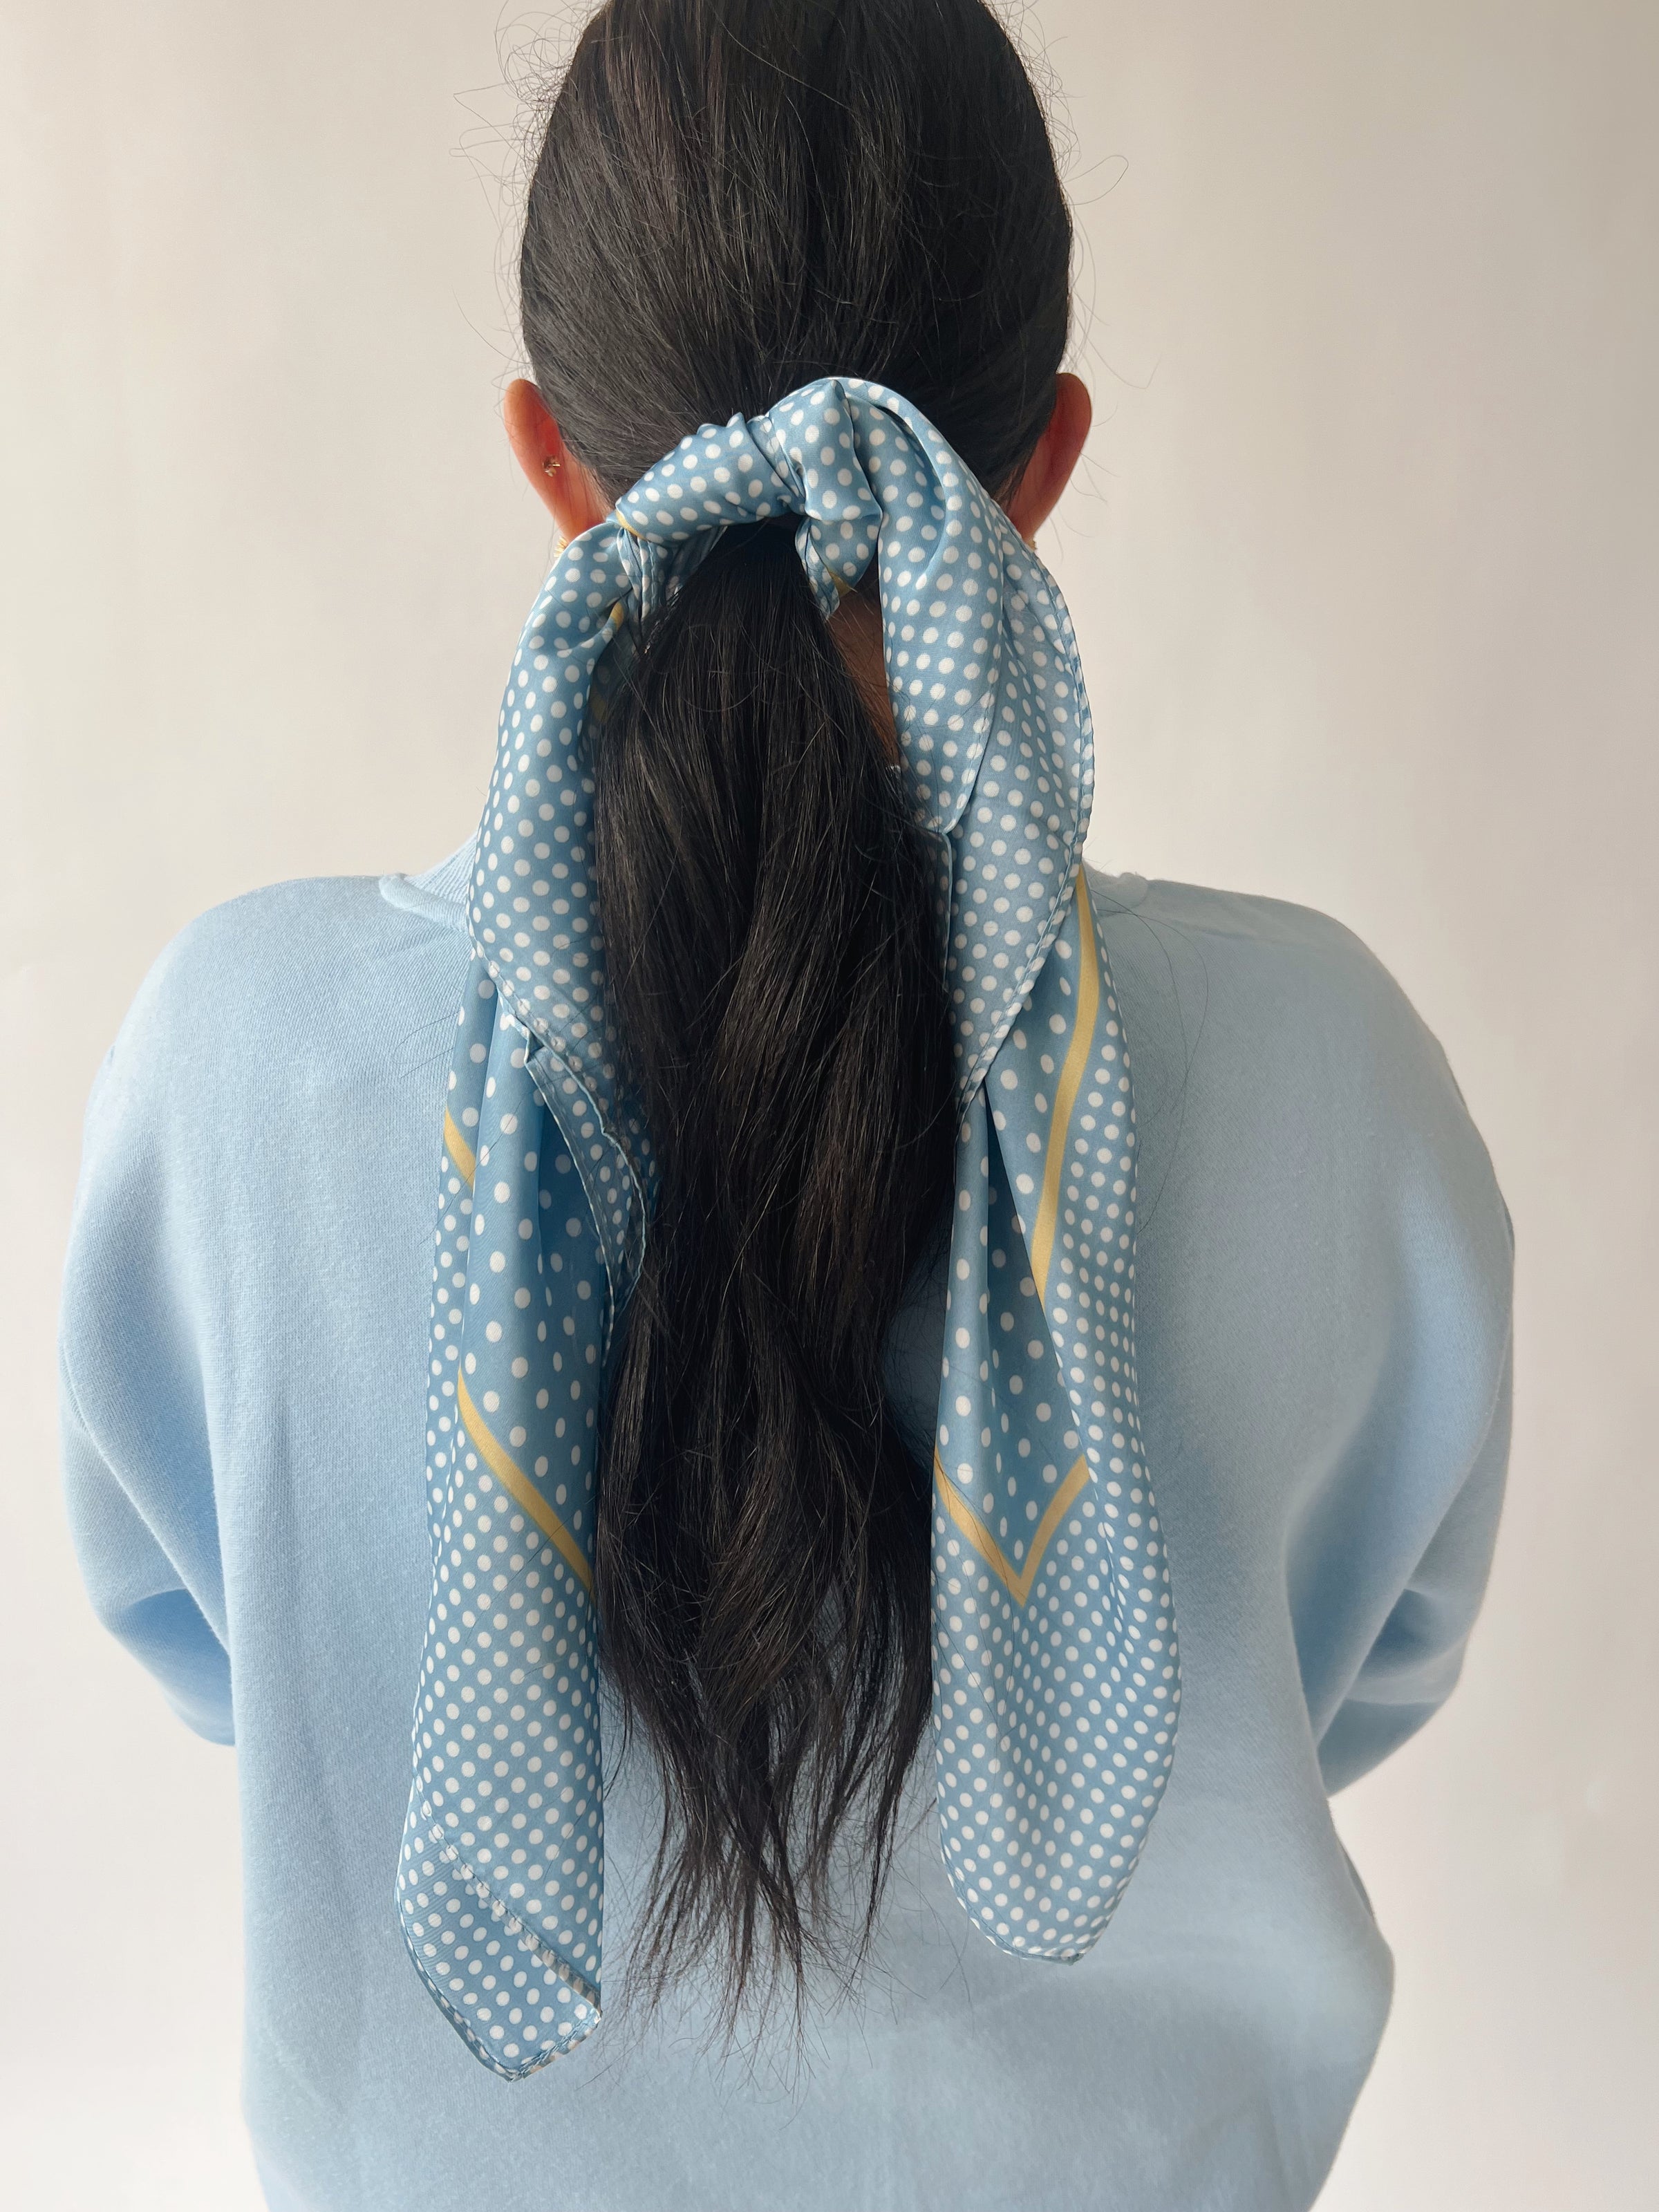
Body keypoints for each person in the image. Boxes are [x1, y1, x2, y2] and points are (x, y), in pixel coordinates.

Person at [57, 2, 1513, 2206]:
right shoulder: (1335, 1063)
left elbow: (217, 1647)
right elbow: (1368, 1673)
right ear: (1045, 463)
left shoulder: (234, 1065)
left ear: (553, 459)